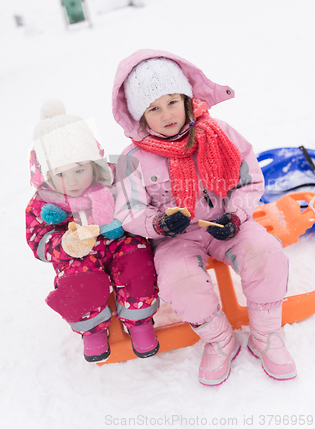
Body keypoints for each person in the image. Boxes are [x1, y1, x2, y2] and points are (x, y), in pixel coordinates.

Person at [112, 49, 297, 385]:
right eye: (153, 108)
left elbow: (250, 178)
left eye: (172, 102)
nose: (166, 114)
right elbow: (128, 210)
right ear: (140, 116)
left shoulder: (218, 132)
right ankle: (219, 340)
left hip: (227, 222)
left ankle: (266, 334)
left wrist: (238, 215)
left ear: (186, 99)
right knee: (179, 280)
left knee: (265, 252)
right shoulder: (132, 158)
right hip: (176, 238)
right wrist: (158, 224)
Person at [26, 99, 159, 363]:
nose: (73, 180)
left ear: (93, 163)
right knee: (78, 281)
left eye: (79, 169)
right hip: (78, 255)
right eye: (61, 174)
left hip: (119, 242)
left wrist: (129, 220)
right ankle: (92, 329)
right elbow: (37, 237)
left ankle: (139, 320)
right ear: (45, 174)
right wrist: (64, 244)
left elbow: (135, 203)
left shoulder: (112, 179)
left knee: (138, 261)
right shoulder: (43, 202)